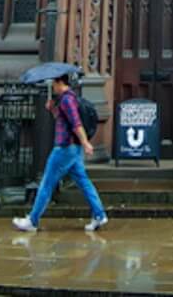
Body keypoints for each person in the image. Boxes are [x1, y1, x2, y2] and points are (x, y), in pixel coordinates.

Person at [13, 76, 109, 233]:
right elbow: (64, 121)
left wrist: (85, 143)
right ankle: (99, 215)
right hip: (73, 149)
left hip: (65, 148)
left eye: (54, 84)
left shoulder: (66, 100)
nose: (53, 87)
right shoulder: (68, 99)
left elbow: (76, 123)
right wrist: (53, 110)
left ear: (59, 83)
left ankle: (32, 220)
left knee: (46, 184)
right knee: (84, 182)